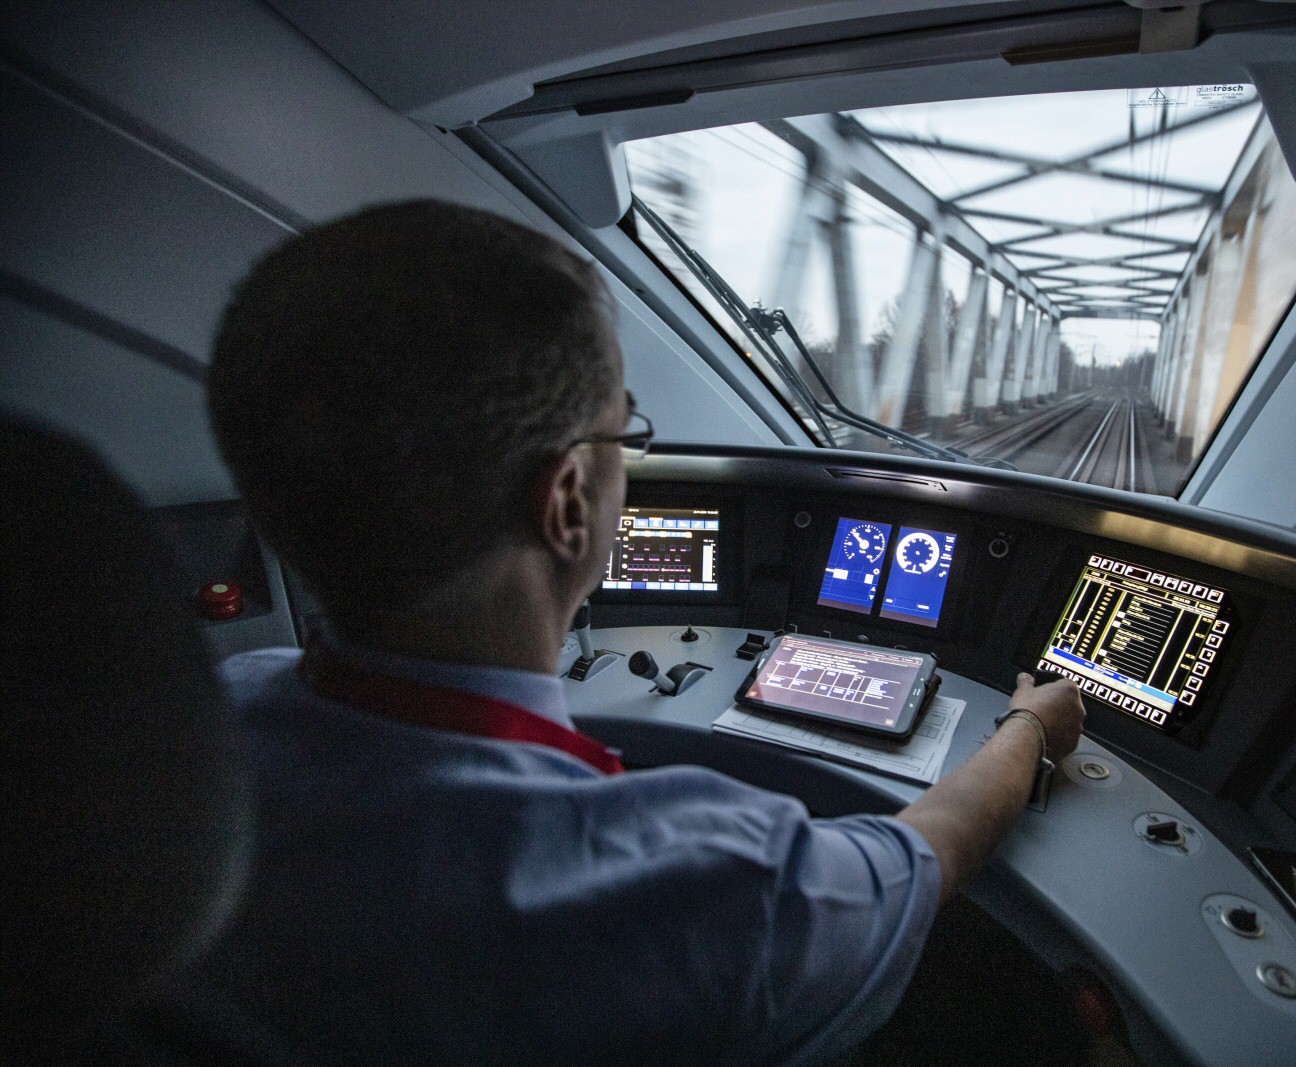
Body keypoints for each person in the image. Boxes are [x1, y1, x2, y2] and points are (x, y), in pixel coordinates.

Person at [185, 199, 1084, 1064]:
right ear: (568, 502)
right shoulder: (700, 888)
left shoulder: (189, 732)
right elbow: (924, 860)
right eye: (627, 436)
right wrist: (1033, 728)